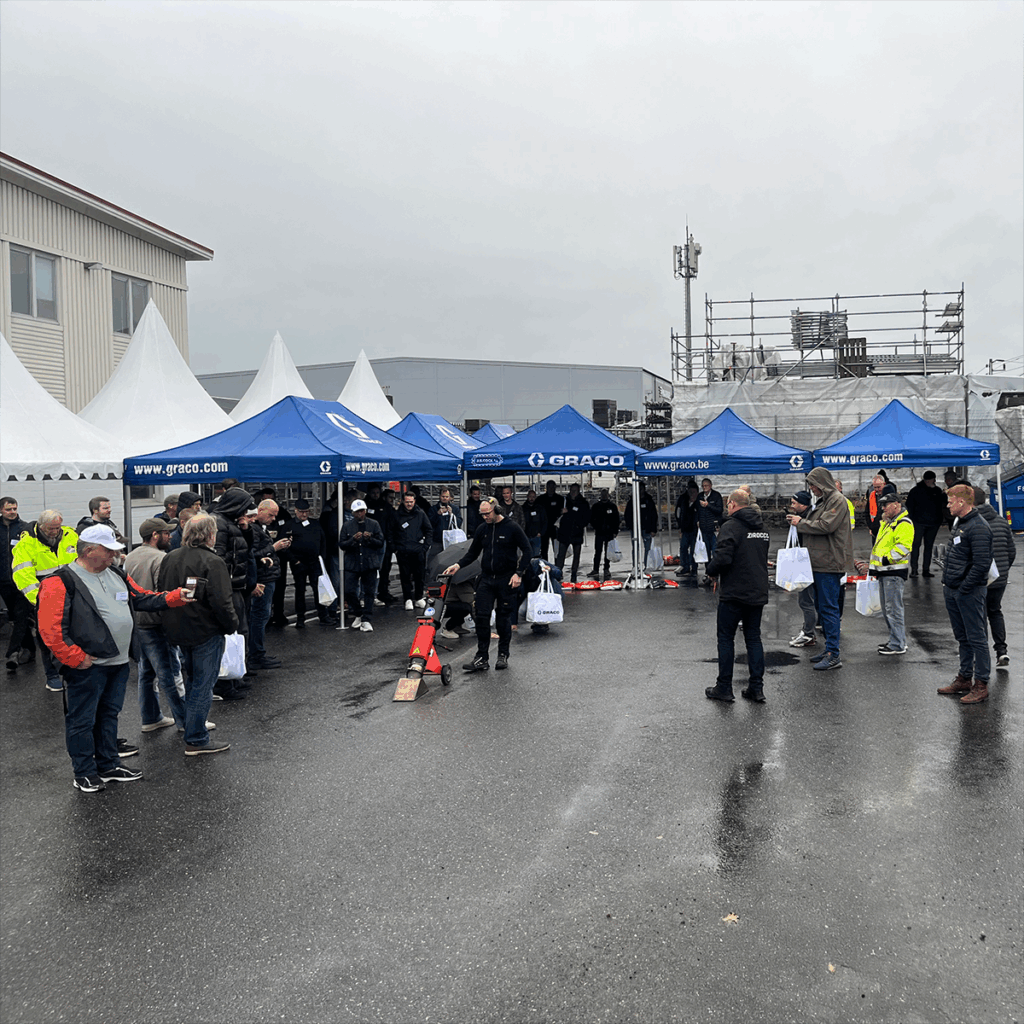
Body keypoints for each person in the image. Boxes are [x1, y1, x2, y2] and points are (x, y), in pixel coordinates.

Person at [37, 524, 188, 791]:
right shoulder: (60, 581)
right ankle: (84, 772)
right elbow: (51, 630)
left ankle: (108, 765)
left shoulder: (116, 573)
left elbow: (141, 598)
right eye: (108, 550)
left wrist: (174, 597)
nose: (115, 554)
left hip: (117, 662)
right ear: (89, 551)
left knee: (108, 714)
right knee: (82, 720)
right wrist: (76, 658)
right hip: (87, 665)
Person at [158, 513, 238, 754]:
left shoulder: (170, 557)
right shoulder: (213, 561)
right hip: (206, 630)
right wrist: (231, 625)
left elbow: (162, 592)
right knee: (203, 684)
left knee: (193, 680)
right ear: (210, 534)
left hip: (178, 628)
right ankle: (196, 737)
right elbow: (222, 601)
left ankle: (192, 728)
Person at [443, 499, 531, 672]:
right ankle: (481, 657)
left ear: (496, 510)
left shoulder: (512, 527)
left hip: (506, 579)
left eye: (487, 513)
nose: (485, 517)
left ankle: (502, 655)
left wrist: (519, 573)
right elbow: (472, 553)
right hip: (486, 578)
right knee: (482, 617)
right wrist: (458, 565)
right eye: (482, 514)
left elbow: (527, 550)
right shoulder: (482, 529)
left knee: (503, 619)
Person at [703, 490, 771, 703]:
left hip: (734, 591)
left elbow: (723, 557)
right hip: (757, 590)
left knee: (726, 638)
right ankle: (756, 687)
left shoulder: (730, 526)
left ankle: (724, 687)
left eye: (728, 504)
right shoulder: (762, 528)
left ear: (732, 504)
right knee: (753, 637)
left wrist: (711, 571)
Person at [123, 517, 188, 731]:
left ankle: (151, 718)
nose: (170, 537)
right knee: (171, 672)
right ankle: (187, 722)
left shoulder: (131, 556)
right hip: (157, 622)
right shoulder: (161, 558)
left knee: (147, 672)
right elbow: (164, 592)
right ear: (155, 535)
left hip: (137, 622)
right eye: (166, 533)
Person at [786, 467, 853, 672]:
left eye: (813, 485)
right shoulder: (825, 501)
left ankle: (833, 654)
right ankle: (829, 649)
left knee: (829, 609)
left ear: (822, 483)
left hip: (829, 562)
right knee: (823, 609)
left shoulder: (837, 500)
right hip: (820, 561)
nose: (812, 489)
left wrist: (801, 522)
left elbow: (826, 526)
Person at [937, 485, 994, 704]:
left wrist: (963, 589)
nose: (948, 505)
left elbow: (981, 565)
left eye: (950, 501)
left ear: (962, 502)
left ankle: (981, 684)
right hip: (953, 590)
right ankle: (964, 678)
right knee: (962, 637)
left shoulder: (978, 527)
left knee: (977, 638)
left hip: (969, 592)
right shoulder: (960, 523)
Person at [11, 510, 80, 691]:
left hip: (72, 595)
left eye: (57, 528)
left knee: (74, 634)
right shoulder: (26, 545)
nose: (55, 532)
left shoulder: (70, 536)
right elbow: (23, 576)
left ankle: (72, 670)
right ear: (41, 527)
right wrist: (41, 600)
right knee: (47, 638)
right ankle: (52, 676)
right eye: (51, 529)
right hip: (44, 598)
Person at [855, 493, 914, 655]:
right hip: (886, 571)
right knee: (889, 609)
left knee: (893, 609)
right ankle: (896, 640)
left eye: (885, 505)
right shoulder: (890, 523)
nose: (883, 508)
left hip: (892, 571)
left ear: (896, 504)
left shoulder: (903, 523)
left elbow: (904, 547)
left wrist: (886, 560)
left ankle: (898, 643)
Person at [972, 486, 1015, 669]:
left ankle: (981, 654)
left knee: (979, 614)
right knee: (995, 611)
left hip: (980, 577)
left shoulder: (972, 523)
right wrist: (1003, 570)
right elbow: (1011, 551)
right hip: (1000, 578)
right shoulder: (1001, 521)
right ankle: (1001, 650)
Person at [249, 500, 288, 669]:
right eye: (271, 515)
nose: (273, 519)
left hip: (267, 577)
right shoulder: (254, 530)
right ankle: (256, 655)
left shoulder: (259, 528)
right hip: (263, 579)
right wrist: (274, 548)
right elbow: (252, 555)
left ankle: (257, 653)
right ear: (260, 511)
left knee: (261, 616)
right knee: (259, 617)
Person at [338, 499, 384, 631]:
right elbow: (342, 544)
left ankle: (366, 619)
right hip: (352, 563)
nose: (360, 514)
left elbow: (380, 542)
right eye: (357, 511)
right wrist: (353, 540)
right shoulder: (347, 525)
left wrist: (370, 539)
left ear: (365, 511)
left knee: (369, 592)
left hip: (369, 562)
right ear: (353, 513)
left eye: (362, 511)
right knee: (349, 590)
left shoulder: (374, 524)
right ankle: (358, 613)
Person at [1, 496, 35, 672]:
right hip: (3, 582)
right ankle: (30, 649)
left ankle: (12, 653)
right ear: (1, 510)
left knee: (21, 616)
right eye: (9, 509)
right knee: (15, 617)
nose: (12, 512)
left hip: (22, 581)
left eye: (15, 508)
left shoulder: (24, 529)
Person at [287, 498, 331, 628]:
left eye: (306, 511)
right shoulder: (289, 525)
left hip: (314, 562)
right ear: (296, 511)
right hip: (299, 563)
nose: (304, 514)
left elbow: (323, 540)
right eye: (302, 512)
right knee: (300, 590)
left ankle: (323, 615)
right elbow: (284, 545)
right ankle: (300, 618)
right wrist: (294, 560)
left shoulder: (315, 524)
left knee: (318, 589)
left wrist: (322, 557)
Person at [786, 490, 819, 649]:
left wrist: (799, 524)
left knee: (806, 600)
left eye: (794, 503)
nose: (792, 506)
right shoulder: (805, 517)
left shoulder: (808, 519)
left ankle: (808, 634)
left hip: (806, 563)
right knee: (807, 600)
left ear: (803, 504)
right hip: (806, 562)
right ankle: (808, 631)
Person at [392, 491, 432, 610]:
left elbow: (428, 530)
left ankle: (419, 598)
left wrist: (425, 547)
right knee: (405, 576)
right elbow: (390, 532)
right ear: (403, 501)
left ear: (414, 501)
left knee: (419, 575)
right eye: (407, 502)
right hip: (403, 551)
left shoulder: (420, 513)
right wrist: (395, 548)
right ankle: (407, 599)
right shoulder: (397, 515)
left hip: (418, 550)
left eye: (411, 502)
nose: (409, 504)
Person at [906, 471, 946, 578]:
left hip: (931, 523)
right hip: (920, 522)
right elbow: (909, 506)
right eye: (927, 480)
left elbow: (942, 504)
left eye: (930, 480)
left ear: (934, 480)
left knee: (926, 546)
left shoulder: (936, 491)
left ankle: (924, 569)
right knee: (917, 545)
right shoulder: (917, 491)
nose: (928, 482)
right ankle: (915, 569)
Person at [365, 484, 398, 605]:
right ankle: (368, 594)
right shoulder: (365, 505)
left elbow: (392, 522)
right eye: (373, 493)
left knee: (384, 569)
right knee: (369, 569)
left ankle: (382, 592)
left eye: (377, 493)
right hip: (368, 542)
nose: (375, 495)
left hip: (383, 541)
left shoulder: (385, 506)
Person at [555, 483, 590, 583]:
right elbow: (556, 512)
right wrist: (561, 512)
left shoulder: (583, 502)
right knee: (561, 555)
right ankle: (558, 573)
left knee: (576, 555)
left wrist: (580, 525)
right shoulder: (564, 500)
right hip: (564, 532)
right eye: (572, 490)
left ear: (578, 491)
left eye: (575, 490)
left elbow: (587, 516)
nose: (573, 492)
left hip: (577, 533)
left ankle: (574, 574)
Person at [624, 480, 659, 570]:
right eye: (638, 489)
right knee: (635, 548)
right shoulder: (632, 500)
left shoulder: (649, 500)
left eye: (641, 489)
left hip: (647, 528)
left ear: (644, 489)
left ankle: (647, 566)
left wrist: (653, 529)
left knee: (648, 548)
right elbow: (627, 514)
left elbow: (653, 515)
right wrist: (630, 526)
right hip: (635, 528)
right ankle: (635, 566)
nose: (640, 491)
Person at [588, 489, 620, 578]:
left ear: (608, 495)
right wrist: (596, 526)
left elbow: (616, 519)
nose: (604, 496)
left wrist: (615, 531)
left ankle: (606, 569)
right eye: (603, 494)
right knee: (597, 552)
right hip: (599, 532)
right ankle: (595, 569)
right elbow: (591, 518)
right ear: (601, 495)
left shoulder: (612, 506)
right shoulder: (596, 506)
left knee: (607, 552)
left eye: (605, 494)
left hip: (609, 533)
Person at [697, 478, 724, 579]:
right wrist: (698, 521)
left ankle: (716, 572)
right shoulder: (700, 496)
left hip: (713, 528)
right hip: (704, 528)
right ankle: (708, 572)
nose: (704, 488)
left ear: (710, 486)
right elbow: (697, 510)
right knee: (706, 552)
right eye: (703, 486)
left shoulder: (716, 496)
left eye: (706, 486)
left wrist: (708, 505)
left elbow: (719, 510)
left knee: (715, 551)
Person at [429, 488, 463, 561]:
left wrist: (451, 514)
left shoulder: (455, 509)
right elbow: (429, 524)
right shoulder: (433, 509)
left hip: (451, 541)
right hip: (437, 540)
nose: (445, 498)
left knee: (451, 560)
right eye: (443, 496)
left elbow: (459, 523)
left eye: (447, 497)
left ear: (450, 497)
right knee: (433, 560)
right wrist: (437, 514)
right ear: (439, 496)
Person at [674, 481, 700, 577]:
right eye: (690, 492)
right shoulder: (683, 499)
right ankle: (684, 566)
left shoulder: (699, 500)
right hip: (685, 528)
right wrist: (679, 526)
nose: (692, 494)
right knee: (683, 548)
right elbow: (678, 512)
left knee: (694, 550)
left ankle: (694, 568)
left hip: (695, 529)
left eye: (694, 492)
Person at [536, 480, 564, 561]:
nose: (551, 489)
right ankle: (545, 566)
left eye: (552, 487)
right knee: (544, 549)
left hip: (556, 528)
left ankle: (557, 566)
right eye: (549, 487)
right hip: (544, 528)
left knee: (557, 550)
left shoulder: (560, 499)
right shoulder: (540, 499)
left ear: (555, 488)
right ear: (546, 488)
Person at [865, 474, 897, 540]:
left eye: (878, 487)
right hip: (875, 531)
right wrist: (871, 527)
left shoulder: (890, 497)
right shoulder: (872, 496)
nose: (877, 489)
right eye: (875, 487)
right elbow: (867, 512)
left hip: (887, 530)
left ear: (884, 484)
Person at [521, 490, 548, 558]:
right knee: (526, 556)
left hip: (536, 536)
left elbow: (544, 521)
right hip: (526, 536)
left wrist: (541, 533)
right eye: (530, 496)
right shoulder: (523, 508)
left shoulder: (540, 508)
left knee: (536, 556)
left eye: (533, 497)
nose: (531, 498)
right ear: (527, 497)